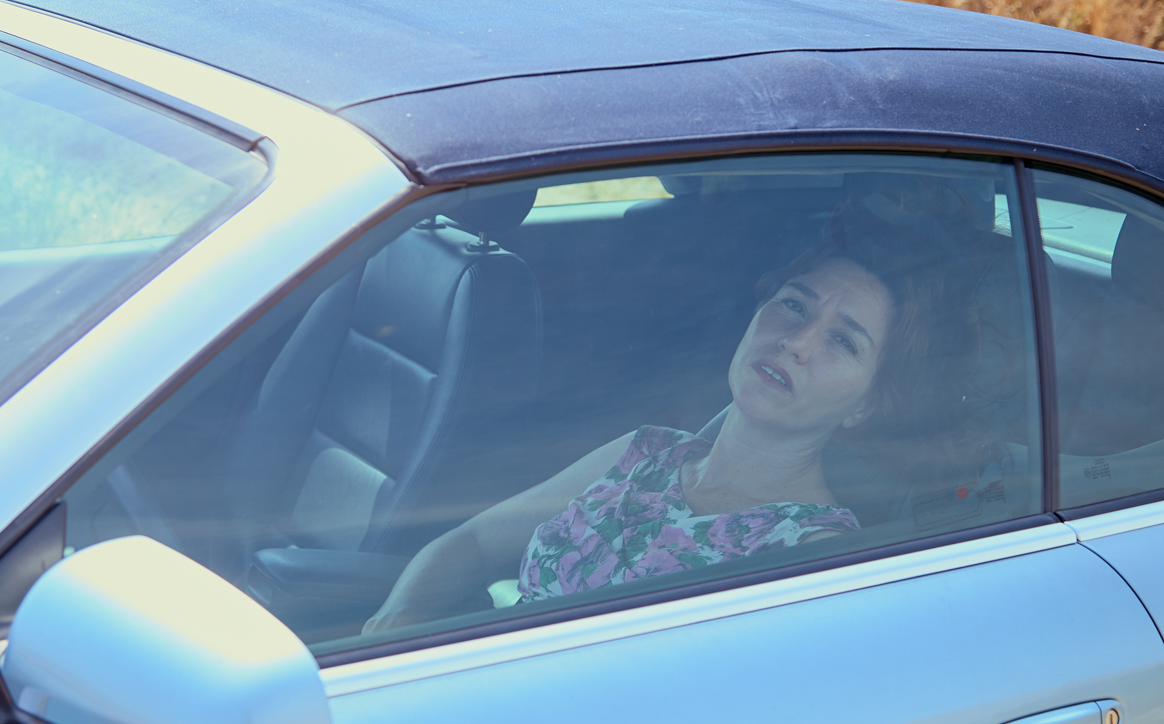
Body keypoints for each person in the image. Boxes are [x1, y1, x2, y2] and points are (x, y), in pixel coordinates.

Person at [363, 193, 986, 633]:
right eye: (794, 305)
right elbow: (470, 543)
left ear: (866, 405)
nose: (797, 341)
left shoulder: (813, 556)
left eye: (844, 341)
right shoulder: (644, 451)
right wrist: (398, 620)